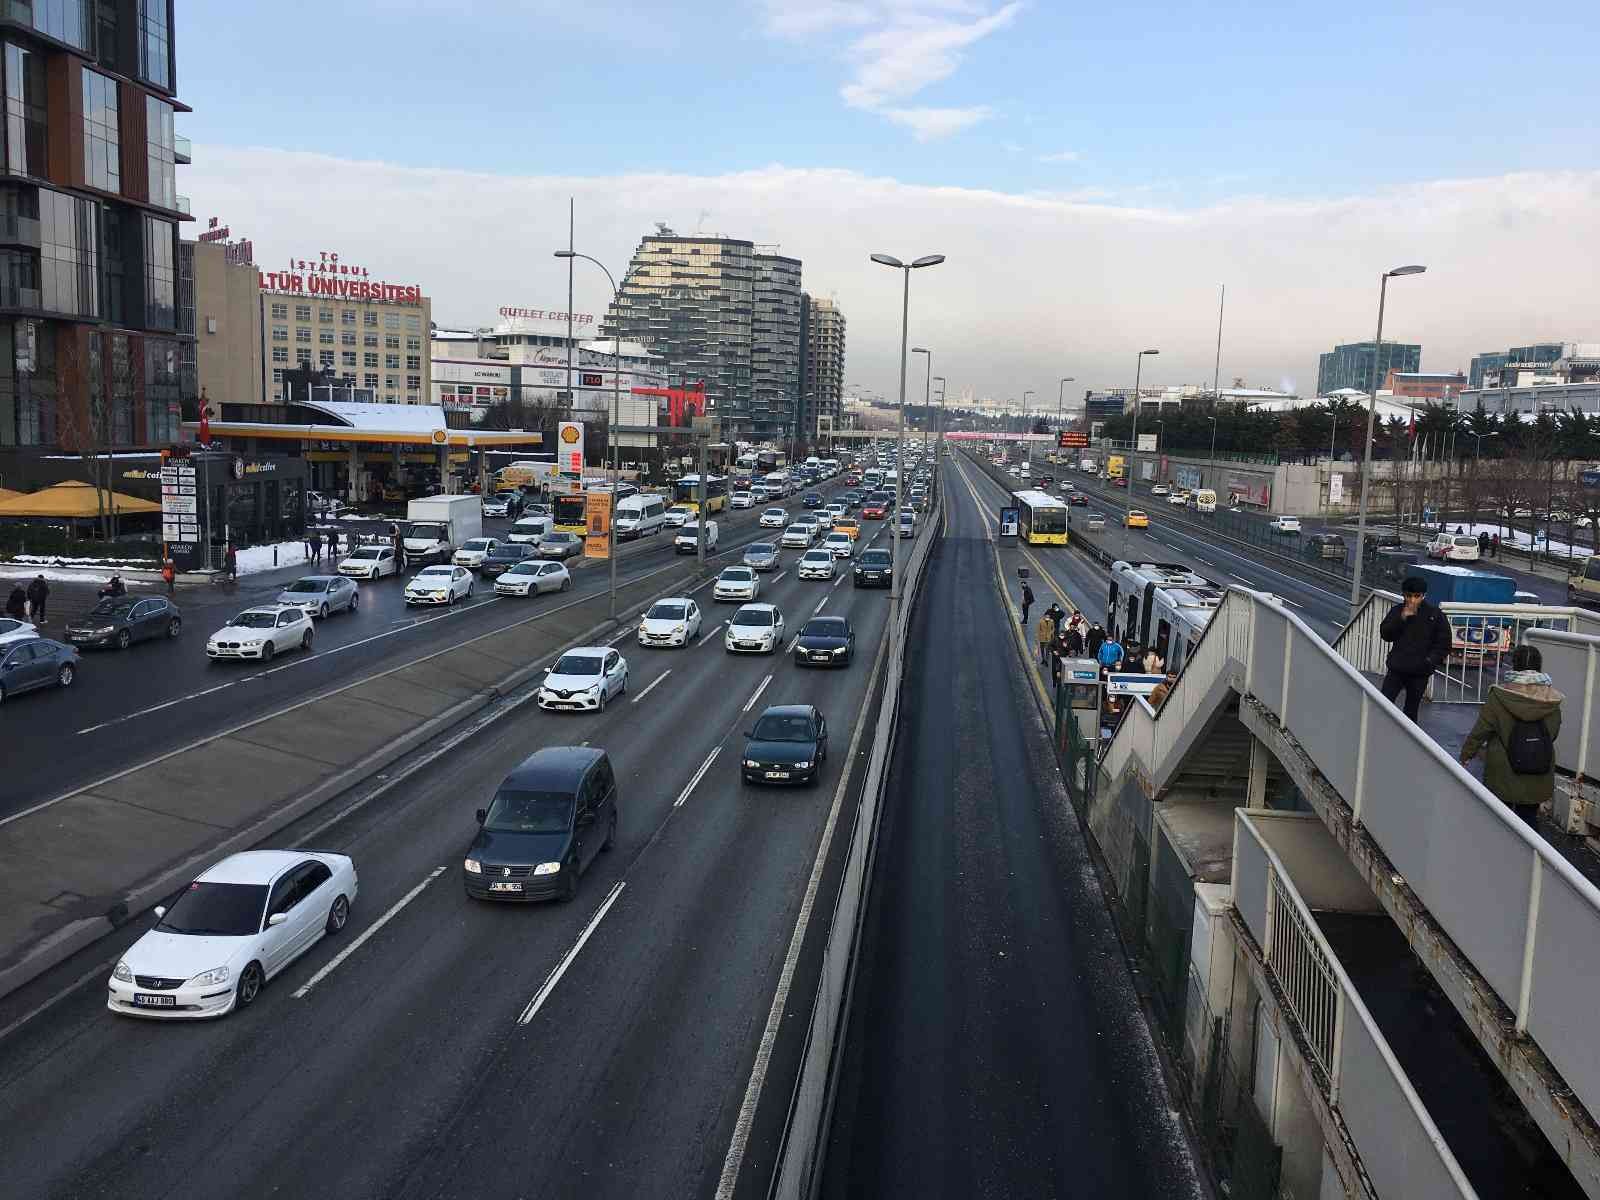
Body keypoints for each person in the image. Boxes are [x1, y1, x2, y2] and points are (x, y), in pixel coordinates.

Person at [1460, 645, 1563, 829]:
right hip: (1538, 767)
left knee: (1500, 821)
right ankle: (1529, 857)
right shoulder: (1552, 699)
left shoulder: (1499, 695)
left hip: (1503, 770)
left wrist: (1466, 754)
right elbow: (1553, 732)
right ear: (1539, 666)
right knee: (1529, 820)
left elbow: (1481, 730)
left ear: (1514, 666)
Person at [1378, 574, 1453, 722]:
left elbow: (1444, 644)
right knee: (1383, 704)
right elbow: (1386, 634)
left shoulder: (1435, 615)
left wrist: (1429, 661)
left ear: (1424, 596)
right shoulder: (1398, 611)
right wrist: (1402, 619)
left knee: (1411, 711)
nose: (1412, 600)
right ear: (1404, 595)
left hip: (1419, 672)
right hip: (1397, 668)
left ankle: (1407, 742)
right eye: (1408, 596)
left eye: (1417, 596)